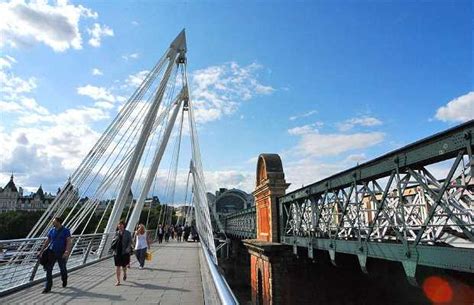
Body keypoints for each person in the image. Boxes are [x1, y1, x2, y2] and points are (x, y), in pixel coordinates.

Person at [38, 216, 72, 294]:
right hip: (51, 253)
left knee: (62, 268)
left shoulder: (66, 231)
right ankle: (48, 287)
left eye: (54, 221)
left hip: (61, 253)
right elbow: (47, 241)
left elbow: (68, 241)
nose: (53, 222)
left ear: (58, 222)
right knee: (48, 270)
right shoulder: (51, 230)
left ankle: (64, 279)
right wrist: (41, 251)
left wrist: (67, 251)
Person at [112, 220, 132, 286]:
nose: (120, 226)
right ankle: (118, 281)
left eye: (121, 224)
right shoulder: (116, 233)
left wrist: (128, 248)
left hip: (124, 252)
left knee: (124, 266)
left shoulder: (128, 233)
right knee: (118, 266)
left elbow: (129, 242)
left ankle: (125, 273)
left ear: (124, 225)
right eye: (119, 225)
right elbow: (113, 241)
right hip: (117, 252)